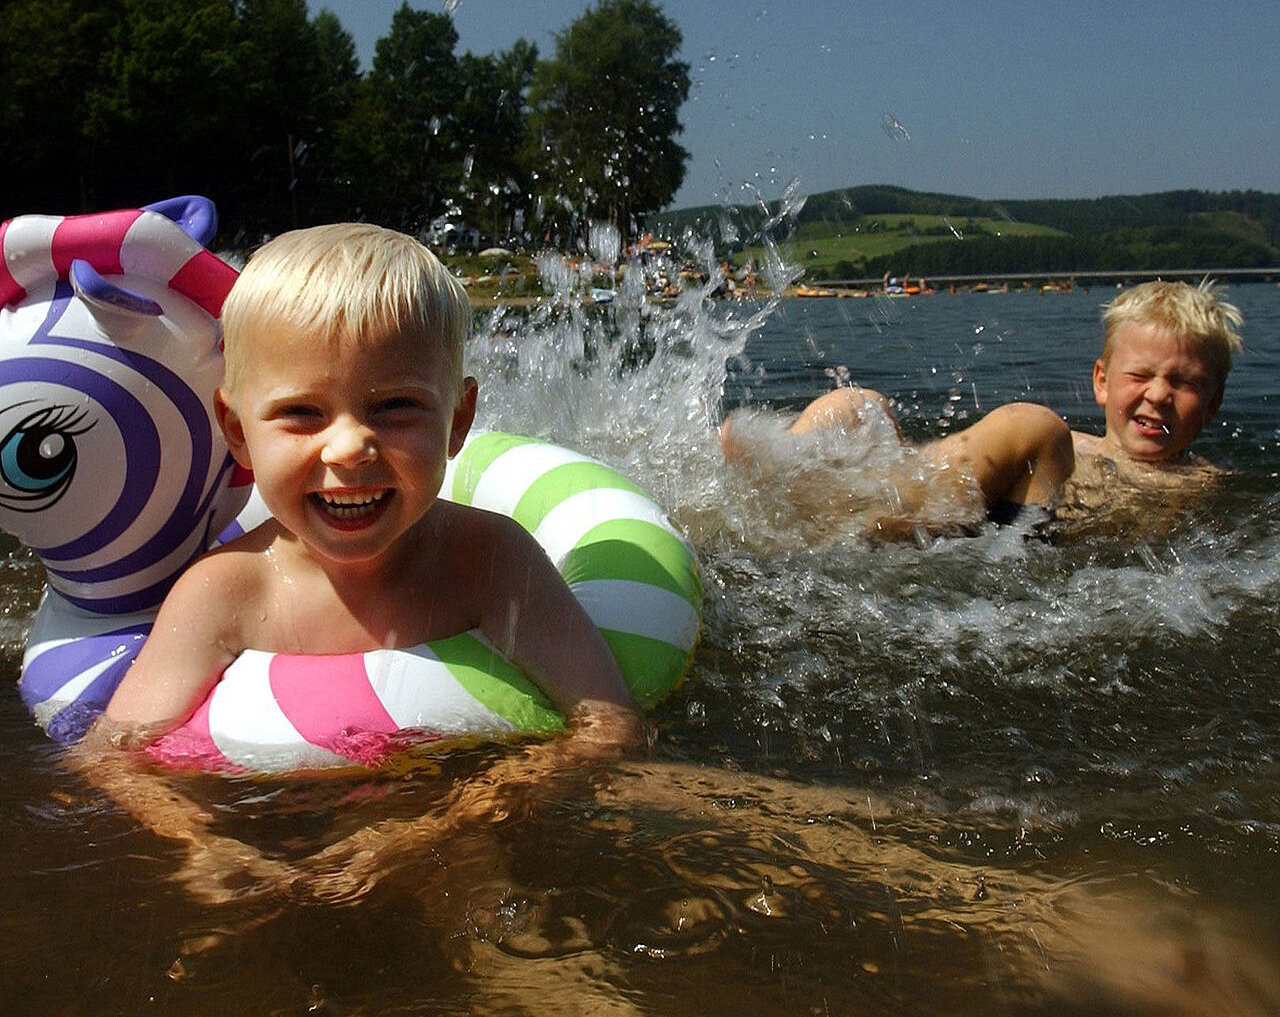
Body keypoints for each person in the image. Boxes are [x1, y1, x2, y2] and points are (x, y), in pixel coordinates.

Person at [93, 222, 642, 753]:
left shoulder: (491, 563)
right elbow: (115, 758)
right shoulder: (225, 593)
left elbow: (609, 726)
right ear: (237, 431)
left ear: (457, 421)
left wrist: (498, 794)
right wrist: (205, 843)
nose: (350, 447)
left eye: (396, 406)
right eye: (302, 412)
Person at [720, 279, 1242, 536]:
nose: (1157, 394)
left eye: (1184, 383)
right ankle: (788, 464)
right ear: (1101, 382)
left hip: (1009, 534)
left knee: (1036, 426)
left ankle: (816, 500)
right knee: (860, 404)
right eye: (1140, 376)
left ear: (1214, 402)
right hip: (945, 495)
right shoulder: (1078, 447)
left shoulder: (1200, 480)